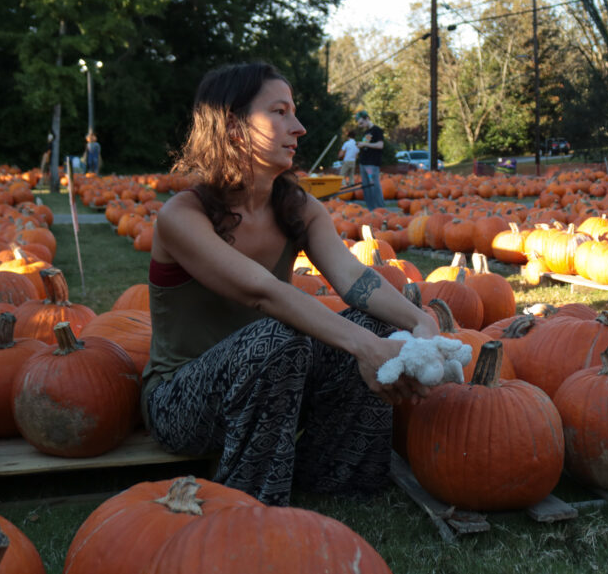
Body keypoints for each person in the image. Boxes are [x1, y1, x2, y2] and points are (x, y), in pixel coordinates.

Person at [142, 62, 438, 506]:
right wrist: (362, 348)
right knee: (282, 337)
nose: (298, 128)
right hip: (181, 402)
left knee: (374, 323)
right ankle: (253, 499)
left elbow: (354, 278)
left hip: (276, 382)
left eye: (293, 112)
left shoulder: (299, 208)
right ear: (234, 127)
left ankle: (339, 479)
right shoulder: (182, 216)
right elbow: (263, 292)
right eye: (280, 112)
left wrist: (421, 321)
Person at [354, 110, 386, 211]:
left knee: (374, 186)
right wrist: (361, 145)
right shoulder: (367, 132)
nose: (361, 126)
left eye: (361, 123)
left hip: (372, 163)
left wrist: (365, 144)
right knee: (366, 187)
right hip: (364, 162)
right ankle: (371, 210)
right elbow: (366, 144)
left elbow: (380, 145)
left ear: (367, 119)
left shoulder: (377, 130)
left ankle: (380, 209)